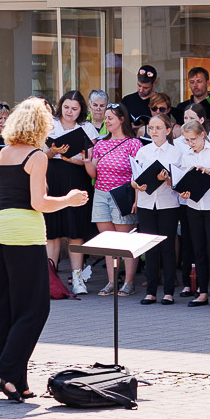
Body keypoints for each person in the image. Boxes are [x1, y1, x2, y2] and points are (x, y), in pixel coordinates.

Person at [0, 97, 91, 400]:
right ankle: (2, 371)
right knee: (35, 309)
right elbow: (38, 204)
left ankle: (16, 381)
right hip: (25, 234)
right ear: (41, 126)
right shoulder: (37, 156)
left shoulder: (4, 153)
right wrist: (68, 199)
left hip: (1, 230)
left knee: (7, 307)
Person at [85, 104, 143, 295]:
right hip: (101, 193)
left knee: (126, 241)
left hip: (122, 194)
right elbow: (93, 172)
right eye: (106, 118)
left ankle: (129, 282)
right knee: (108, 241)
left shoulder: (134, 144)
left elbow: (138, 174)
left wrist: (136, 199)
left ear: (121, 119)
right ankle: (111, 281)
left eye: (110, 118)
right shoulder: (101, 144)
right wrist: (87, 160)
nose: (106, 121)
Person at [45, 90, 97, 295]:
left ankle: (78, 279)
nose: (69, 112)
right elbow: (40, 154)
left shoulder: (87, 128)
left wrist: (70, 158)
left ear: (81, 110)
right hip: (53, 177)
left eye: (74, 108)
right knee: (53, 231)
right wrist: (54, 152)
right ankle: (50, 278)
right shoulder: (50, 124)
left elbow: (90, 159)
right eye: (66, 107)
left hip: (77, 177)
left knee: (75, 230)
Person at [175, 119, 210, 309]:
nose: (190, 144)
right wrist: (183, 192)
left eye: (193, 139)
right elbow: (182, 181)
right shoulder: (187, 155)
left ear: (202, 135)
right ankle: (202, 292)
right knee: (198, 249)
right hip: (193, 205)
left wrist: (208, 171)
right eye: (187, 140)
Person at [131, 111, 184, 306]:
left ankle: (169, 291)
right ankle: (151, 290)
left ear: (168, 130)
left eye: (158, 128)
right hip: (146, 202)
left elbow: (179, 182)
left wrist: (166, 178)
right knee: (149, 247)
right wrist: (138, 187)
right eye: (151, 128)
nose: (154, 131)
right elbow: (134, 179)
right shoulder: (143, 151)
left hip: (167, 203)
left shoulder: (176, 152)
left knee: (167, 247)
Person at [176, 66, 210, 130]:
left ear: (208, 83)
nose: (195, 85)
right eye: (192, 82)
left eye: (199, 81)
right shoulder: (182, 107)